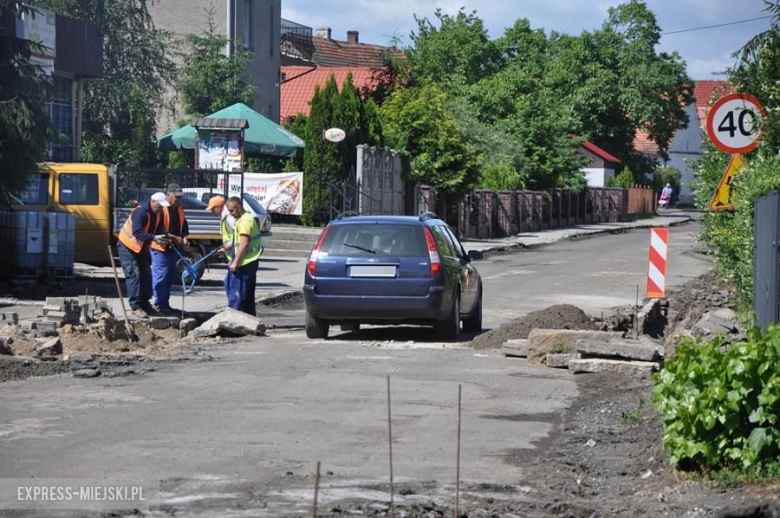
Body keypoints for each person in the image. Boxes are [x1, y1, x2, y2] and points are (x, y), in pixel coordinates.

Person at [116, 192, 165, 318]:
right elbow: (137, 232)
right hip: (127, 246)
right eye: (160, 205)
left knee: (146, 274)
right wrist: (154, 238)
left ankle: (145, 304)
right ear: (153, 202)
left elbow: (158, 229)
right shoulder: (141, 212)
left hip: (141, 248)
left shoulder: (158, 213)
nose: (161, 208)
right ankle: (135, 306)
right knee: (134, 275)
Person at [150, 183, 190, 315]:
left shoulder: (179, 209)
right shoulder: (163, 209)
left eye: (180, 197)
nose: (179, 200)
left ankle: (165, 304)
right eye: (177, 197)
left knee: (169, 277)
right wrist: (175, 238)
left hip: (172, 249)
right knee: (161, 276)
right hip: (160, 248)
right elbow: (159, 230)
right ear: (169, 195)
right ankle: (158, 304)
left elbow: (184, 226)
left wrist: (184, 237)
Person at [224, 196, 263, 315]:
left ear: (238, 207)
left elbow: (245, 243)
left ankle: (233, 321)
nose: (230, 214)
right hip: (249, 261)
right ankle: (250, 319)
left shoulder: (244, 221)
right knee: (248, 295)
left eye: (231, 210)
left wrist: (235, 262)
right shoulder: (247, 218)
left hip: (244, 263)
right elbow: (241, 241)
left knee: (237, 293)